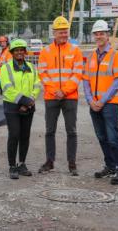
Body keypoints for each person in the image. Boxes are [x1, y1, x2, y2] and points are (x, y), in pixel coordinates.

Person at [83, 19, 118, 185]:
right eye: (96, 33)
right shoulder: (91, 57)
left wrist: (101, 101)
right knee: (102, 137)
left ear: (107, 35)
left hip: (109, 104)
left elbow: (117, 82)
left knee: (112, 137)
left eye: (101, 33)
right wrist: (90, 100)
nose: (99, 36)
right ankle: (110, 166)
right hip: (94, 104)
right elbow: (86, 80)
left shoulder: (116, 56)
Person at [38, 16, 84, 176]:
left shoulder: (75, 50)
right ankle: (49, 162)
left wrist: (64, 91)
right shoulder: (45, 52)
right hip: (51, 97)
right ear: (54, 33)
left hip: (69, 97)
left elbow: (77, 74)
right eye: (61, 32)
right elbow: (42, 74)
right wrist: (54, 91)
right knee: (50, 131)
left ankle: (72, 164)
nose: (64, 35)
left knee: (71, 131)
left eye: (66, 32)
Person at [0, 39, 41, 179]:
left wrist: (31, 100)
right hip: (12, 106)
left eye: (21, 50)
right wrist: (24, 101)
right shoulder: (6, 68)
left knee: (25, 136)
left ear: (25, 52)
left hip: (28, 106)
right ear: (12, 53)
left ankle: (22, 164)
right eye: (16, 50)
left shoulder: (31, 67)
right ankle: (12, 166)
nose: (19, 52)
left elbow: (37, 85)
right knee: (14, 134)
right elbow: (7, 89)